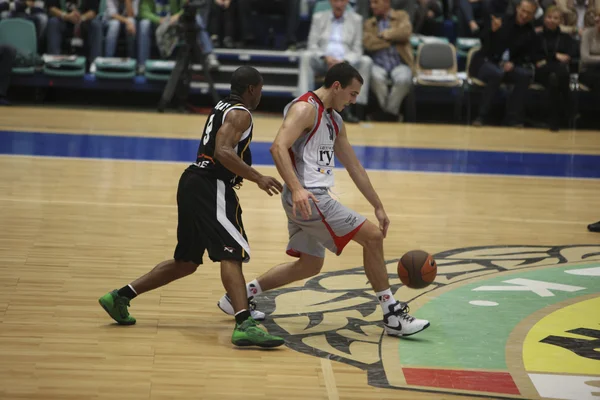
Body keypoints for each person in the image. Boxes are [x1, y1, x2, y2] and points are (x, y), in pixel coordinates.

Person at [217, 62, 430, 338]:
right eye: (352, 94)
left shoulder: (334, 120)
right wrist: (297, 188)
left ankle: (240, 295)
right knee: (373, 238)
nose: (354, 100)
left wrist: (378, 205)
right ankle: (391, 315)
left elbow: (354, 167)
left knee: (309, 264)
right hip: (308, 197)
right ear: (337, 86)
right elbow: (277, 147)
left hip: (308, 198)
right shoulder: (305, 108)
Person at [98, 66, 285, 348]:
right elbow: (222, 152)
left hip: (192, 182)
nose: (260, 94)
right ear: (251, 89)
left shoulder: (222, 105)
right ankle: (244, 323)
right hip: (212, 185)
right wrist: (258, 177)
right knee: (231, 253)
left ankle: (120, 297)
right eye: (259, 89)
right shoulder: (241, 113)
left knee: (185, 263)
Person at [469, 0, 537, 127]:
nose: (524, 15)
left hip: (505, 66)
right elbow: (483, 42)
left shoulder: (530, 32)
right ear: (517, 9)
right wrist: (492, 31)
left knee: (524, 76)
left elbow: (526, 56)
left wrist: (513, 63)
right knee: (496, 73)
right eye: (523, 11)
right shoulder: (501, 21)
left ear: (533, 15)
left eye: (529, 13)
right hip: (484, 62)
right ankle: (481, 117)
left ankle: (512, 118)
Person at [532, 6, 578, 131]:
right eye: (549, 17)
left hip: (557, 72)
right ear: (544, 18)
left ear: (561, 21)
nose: (551, 20)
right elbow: (534, 56)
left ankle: (554, 120)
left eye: (555, 18)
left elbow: (570, 55)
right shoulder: (537, 36)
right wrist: (555, 56)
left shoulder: (566, 37)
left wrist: (547, 59)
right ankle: (570, 110)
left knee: (555, 79)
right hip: (541, 72)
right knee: (558, 73)